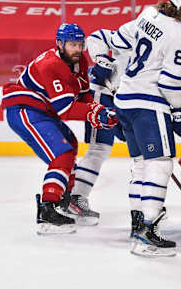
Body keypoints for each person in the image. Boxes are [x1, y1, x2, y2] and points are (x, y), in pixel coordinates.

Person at [110, 0, 181, 257]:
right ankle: (148, 232)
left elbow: (119, 41)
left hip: (125, 100)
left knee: (140, 165)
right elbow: (170, 82)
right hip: (149, 104)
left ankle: (138, 225)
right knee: (159, 165)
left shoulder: (148, 14)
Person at [1, 23, 118, 235]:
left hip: (42, 111)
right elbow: (65, 109)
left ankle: (66, 201)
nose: (77, 49)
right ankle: (47, 209)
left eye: (80, 44)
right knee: (62, 154)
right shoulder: (51, 64)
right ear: (60, 44)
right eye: (72, 44)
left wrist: (98, 111)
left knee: (70, 146)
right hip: (24, 110)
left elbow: (83, 94)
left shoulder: (79, 60)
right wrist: (96, 114)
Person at [67, 29, 128, 226]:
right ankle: (75, 197)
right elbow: (97, 36)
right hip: (103, 93)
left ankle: (69, 194)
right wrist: (102, 60)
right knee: (99, 148)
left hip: (124, 97)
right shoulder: (135, 32)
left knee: (106, 149)